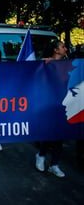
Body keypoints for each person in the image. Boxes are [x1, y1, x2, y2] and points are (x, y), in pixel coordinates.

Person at [35, 40, 67, 177]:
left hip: (63, 104)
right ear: (56, 50)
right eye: (63, 47)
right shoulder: (46, 63)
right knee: (48, 132)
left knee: (60, 135)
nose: (66, 49)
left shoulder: (69, 64)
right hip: (48, 103)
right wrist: (44, 63)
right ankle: (41, 155)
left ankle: (55, 164)